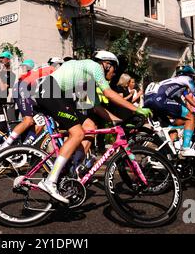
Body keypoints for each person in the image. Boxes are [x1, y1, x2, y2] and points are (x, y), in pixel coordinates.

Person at [34, 51, 152, 203]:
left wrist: (119, 121)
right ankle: (50, 181)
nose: (114, 73)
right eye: (113, 69)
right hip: (49, 90)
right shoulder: (94, 66)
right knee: (77, 133)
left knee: (90, 125)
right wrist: (136, 109)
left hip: (57, 94)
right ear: (106, 64)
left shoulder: (86, 78)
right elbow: (108, 93)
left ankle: (72, 170)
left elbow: (96, 107)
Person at [0, 57, 64, 150]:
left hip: (29, 94)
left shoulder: (49, 71)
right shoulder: (51, 71)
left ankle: (24, 147)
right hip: (22, 89)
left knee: (41, 121)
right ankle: (5, 146)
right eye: (60, 66)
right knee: (28, 120)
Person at [144, 66, 195, 158]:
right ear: (190, 75)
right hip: (159, 100)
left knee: (171, 129)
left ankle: (165, 158)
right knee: (190, 117)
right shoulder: (186, 78)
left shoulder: (173, 82)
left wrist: (194, 111)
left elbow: (179, 101)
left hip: (149, 101)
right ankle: (186, 148)